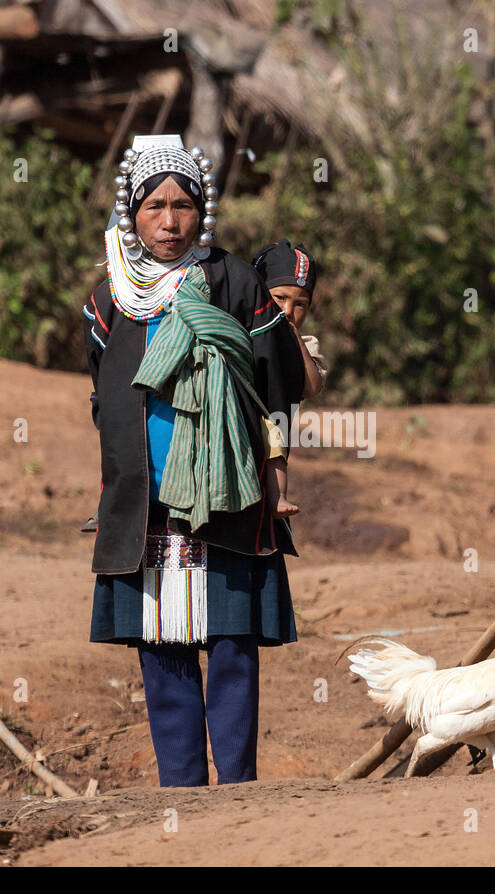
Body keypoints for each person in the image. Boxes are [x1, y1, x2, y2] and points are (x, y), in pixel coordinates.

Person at [83, 134, 306, 787]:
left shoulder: (234, 283)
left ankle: (235, 794)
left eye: (183, 204)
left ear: (201, 209)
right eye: (155, 206)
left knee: (232, 646)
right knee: (162, 645)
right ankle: (180, 793)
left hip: (229, 496)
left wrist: (273, 469)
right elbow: (103, 400)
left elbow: (279, 384)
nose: (170, 221)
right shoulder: (109, 301)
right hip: (144, 506)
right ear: (133, 211)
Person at [252, 239, 327, 516]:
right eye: (279, 298)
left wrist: (294, 342)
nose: (287, 311)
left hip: (274, 425)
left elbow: (312, 386)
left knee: (275, 438)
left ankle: (278, 496)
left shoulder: (306, 342)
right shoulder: (240, 330)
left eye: (300, 304)